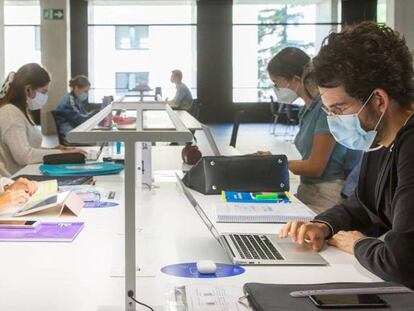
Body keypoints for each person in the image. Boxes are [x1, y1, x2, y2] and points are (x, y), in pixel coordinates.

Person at [280, 22, 414, 288]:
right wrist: (323, 225)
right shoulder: (380, 136)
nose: (334, 120)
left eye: (339, 109)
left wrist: (358, 244)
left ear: (378, 101)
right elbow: (364, 205)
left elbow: (402, 263)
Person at [259, 47, 361, 213]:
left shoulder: (325, 109)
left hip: (327, 195)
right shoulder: (307, 110)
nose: (276, 88)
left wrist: (276, 163)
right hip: (308, 190)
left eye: (276, 83)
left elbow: (315, 167)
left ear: (295, 79)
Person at [0, 63, 80, 177]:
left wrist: (54, 149)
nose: (45, 96)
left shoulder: (20, 111)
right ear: (28, 89)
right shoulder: (10, 114)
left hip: (23, 175)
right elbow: (24, 156)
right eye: (43, 92)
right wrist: (62, 154)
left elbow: (28, 147)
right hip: (13, 182)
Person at [55, 75, 96, 140]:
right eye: (85, 91)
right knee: (97, 139)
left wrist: (94, 114)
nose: (86, 94)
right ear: (76, 88)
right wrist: (95, 113)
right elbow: (81, 120)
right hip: (68, 135)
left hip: (73, 130)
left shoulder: (76, 100)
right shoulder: (68, 101)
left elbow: (84, 114)